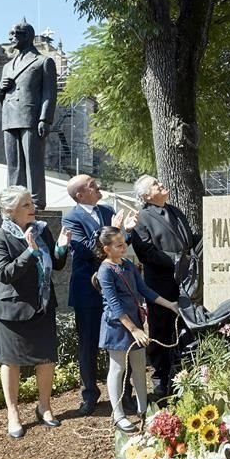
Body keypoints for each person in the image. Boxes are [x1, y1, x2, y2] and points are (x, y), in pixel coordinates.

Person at [0, 186, 69, 438]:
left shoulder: (42, 231)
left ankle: (44, 406)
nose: (33, 209)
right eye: (26, 205)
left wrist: (62, 248)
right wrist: (29, 252)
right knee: (11, 362)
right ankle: (13, 413)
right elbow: (5, 273)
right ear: (10, 211)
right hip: (12, 310)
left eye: (31, 204)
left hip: (43, 306)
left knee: (46, 358)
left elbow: (56, 264)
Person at [61, 174, 137, 416]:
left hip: (117, 289)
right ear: (80, 194)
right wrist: (114, 229)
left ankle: (125, 395)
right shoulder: (71, 217)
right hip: (88, 291)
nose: (98, 187)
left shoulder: (106, 210)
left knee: (122, 343)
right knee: (88, 344)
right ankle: (90, 395)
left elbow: (120, 245)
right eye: (92, 185)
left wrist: (127, 231)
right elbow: (85, 250)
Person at [95, 226, 182, 434]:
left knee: (139, 367)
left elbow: (144, 290)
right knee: (117, 369)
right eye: (119, 245)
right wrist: (134, 330)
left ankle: (145, 410)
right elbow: (114, 304)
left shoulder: (127, 264)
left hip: (134, 322)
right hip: (118, 326)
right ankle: (118, 415)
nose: (124, 247)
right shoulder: (105, 270)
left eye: (124, 243)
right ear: (107, 249)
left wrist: (169, 304)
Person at [130, 175, 200, 398]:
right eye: (155, 184)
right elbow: (147, 252)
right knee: (161, 329)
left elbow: (189, 241)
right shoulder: (141, 218)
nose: (161, 184)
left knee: (187, 327)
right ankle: (161, 378)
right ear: (146, 195)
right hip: (160, 283)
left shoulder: (176, 211)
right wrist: (179, 260)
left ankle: (184, 373)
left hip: (187, 281)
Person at [0, 20, 58, 210]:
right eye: (11, 34)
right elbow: (3, 97)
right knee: (13, 164)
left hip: (31, 117)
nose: (11, 37)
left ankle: (36, 201)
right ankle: (13, 202)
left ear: (28, 37)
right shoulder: (7, 66)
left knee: (33, 162)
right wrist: (0, 88)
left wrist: (45, 119)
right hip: (9, 118)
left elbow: (49, 93)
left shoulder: (43, 61)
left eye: (16, 34)